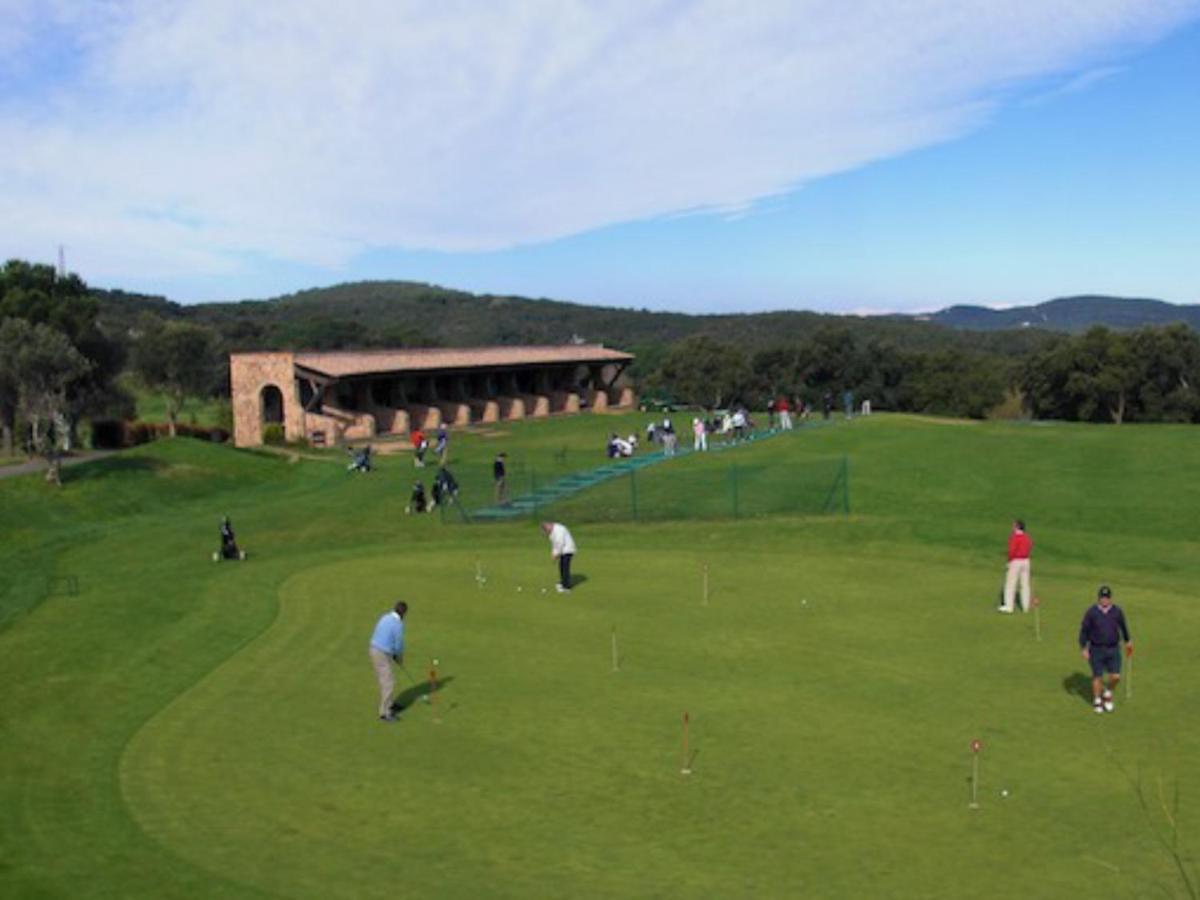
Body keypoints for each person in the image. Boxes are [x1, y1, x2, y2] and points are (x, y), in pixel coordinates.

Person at [1078, 586, 1132, 714]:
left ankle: (1107, 693)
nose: (1104, 600)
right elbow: (1084, 631)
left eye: (1107, 598)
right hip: (1096, 649)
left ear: (1110, 599)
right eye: (1102, 598)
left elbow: (1123, 627)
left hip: (1113, 648)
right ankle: (1097, 700)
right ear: (1099, 598)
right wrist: (1083, 647)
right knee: (1097, 676)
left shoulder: (1117, 611)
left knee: (1116, 676)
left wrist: (1128, 641)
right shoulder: (1092, 612)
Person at [369, 601, 408, 722]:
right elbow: (398, 644)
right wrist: (399, 657)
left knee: (385, 679)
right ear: (403, 614)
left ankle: (390, 704)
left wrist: (393, 654)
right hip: (381, 653)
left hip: (374, 649)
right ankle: (385, 713)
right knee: (389, 682)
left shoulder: (385, 616)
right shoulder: (398, 624)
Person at [999, 520, 1032, 613]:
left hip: (1016, 561)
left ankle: (1009, 606)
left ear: (1017, 527)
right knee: (1025, 584)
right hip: (1026, 561)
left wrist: (1009, 561)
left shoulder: (1014, 537)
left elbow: (1012, 550)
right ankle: (1025, 606)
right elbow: (1029, 547)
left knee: (1010, 584)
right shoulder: (1027, 538)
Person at [541, 520, 576, 593]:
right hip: (563, 550)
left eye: (546, 530)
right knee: (561, 567)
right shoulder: (551, 532)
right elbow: (554, 545)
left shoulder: (559, 529)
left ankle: (567, 587)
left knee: (565, 568)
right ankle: (563, 583)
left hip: (568, 549)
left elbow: (560, 543)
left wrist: (556, 555)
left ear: (548, 526)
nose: (547, 533)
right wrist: (553, 554)